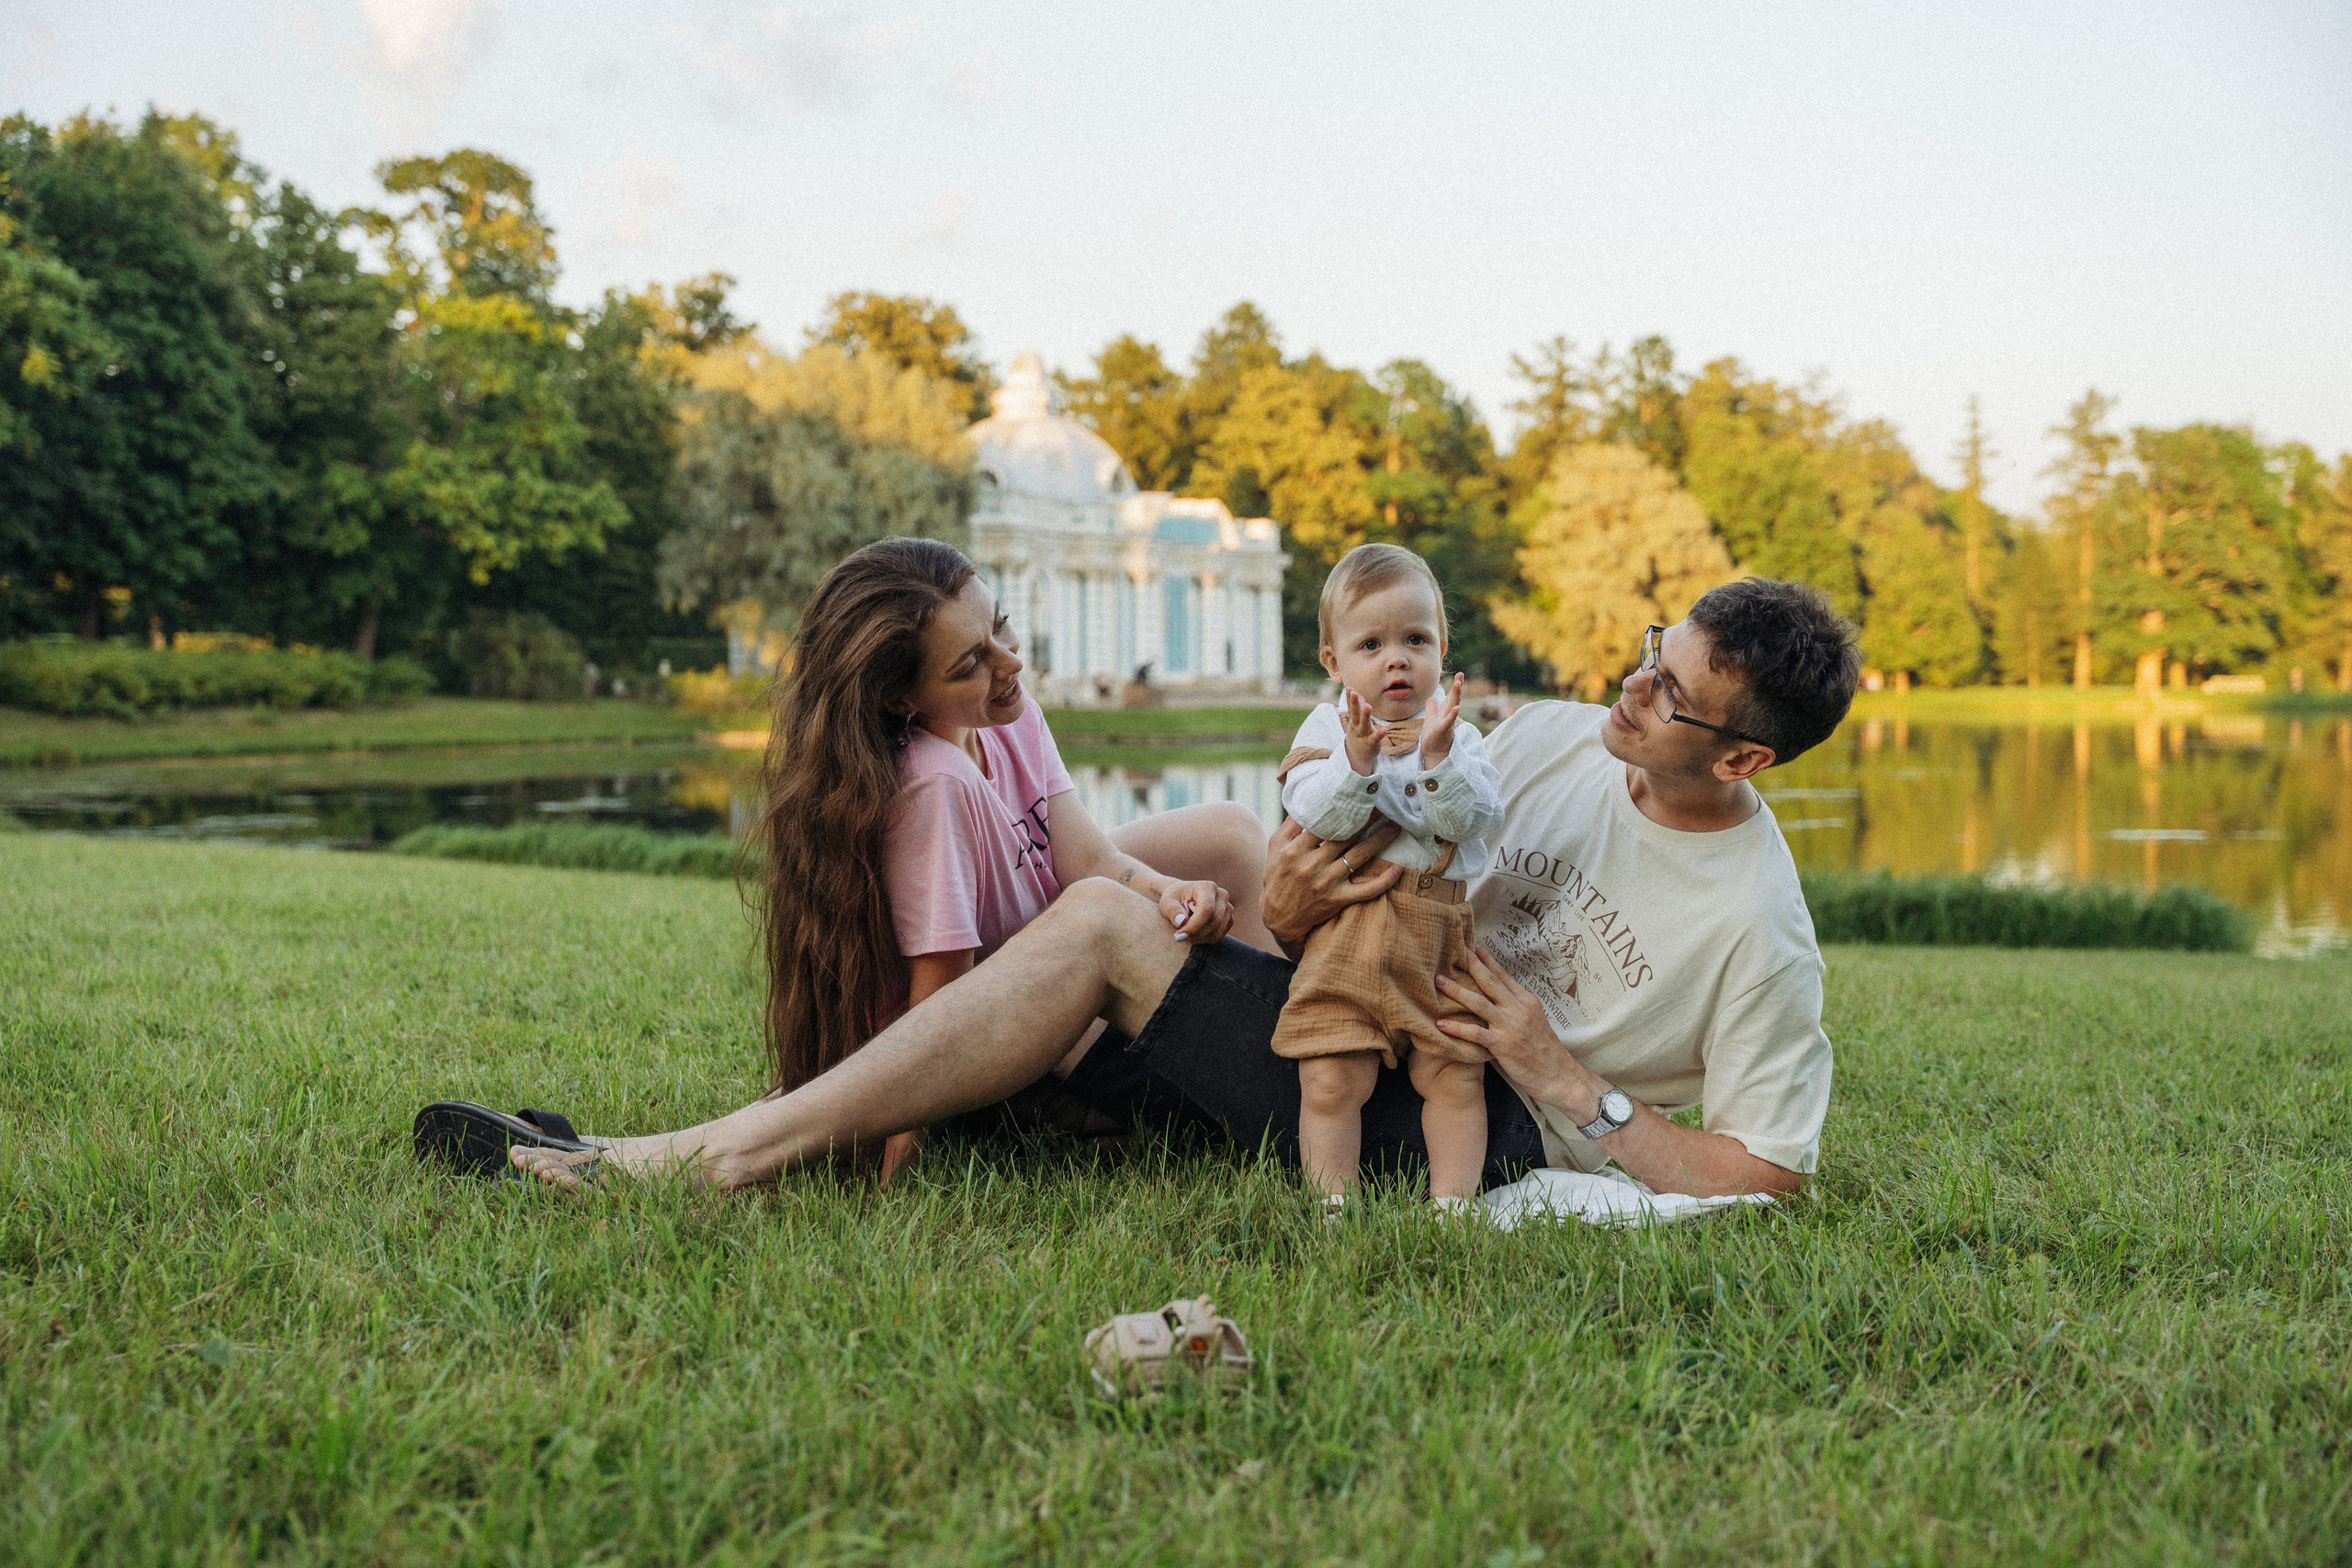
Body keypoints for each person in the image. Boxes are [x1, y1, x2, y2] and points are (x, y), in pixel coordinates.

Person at [480, 576, 1859, 1207]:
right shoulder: (1557, 737)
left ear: (1742, 755)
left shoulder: (1758, 928)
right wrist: (1299, 892)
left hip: (1476, 1120)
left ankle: (719, 1155)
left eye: (1670, 690)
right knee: (1217, 840)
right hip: (1372, 1012)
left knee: (1102, 922)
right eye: (1651, 648)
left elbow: (1771, 1173)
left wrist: (1564, 1077)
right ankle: (988, 1063)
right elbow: (1377, 873)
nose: (1632, 685)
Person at [413, 536, 1274, 1181]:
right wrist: (899, 1140)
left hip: (1103, 1023)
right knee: (1157, 878)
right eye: (971, 662)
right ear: (901, 697)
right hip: (1045, 1027)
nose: (1010, 662)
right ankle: (692, 1153)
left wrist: (1164, 891)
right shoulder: (931, 779)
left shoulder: (1004, 719)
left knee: (1209, 844)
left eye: (1000, 629)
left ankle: (686, 1154)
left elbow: (1083, 855)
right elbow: (946, 983)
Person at [1272, 545, 1502, 1211]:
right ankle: (1334, 1208)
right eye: (1371, 645)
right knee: (1330, 1074)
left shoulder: (1460, 738)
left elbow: (1472, 821)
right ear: (1334, 662)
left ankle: (1454, 1207)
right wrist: (1356, 762)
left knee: (1455, 1072)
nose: (1396, 659)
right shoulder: (1326, 728)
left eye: (1415, 640)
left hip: (1439, 934)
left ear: (1441, 649)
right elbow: (1316, 816)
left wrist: (1436, 762)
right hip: (1352, 931)